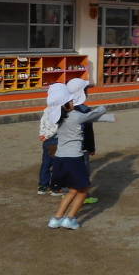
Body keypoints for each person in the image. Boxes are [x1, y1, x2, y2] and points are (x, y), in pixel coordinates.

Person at [46, 97, 109, 230]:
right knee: (83, 190)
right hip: (74, 159)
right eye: (71, 101)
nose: (73, 103)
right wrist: (104, 108)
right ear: (66, 105)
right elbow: (92, 115)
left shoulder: (58, 117)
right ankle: (70, 219)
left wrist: (109, 118)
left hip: (60, 158)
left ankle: (56, 218)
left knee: (72, 190)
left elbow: (88, 117)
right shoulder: (76, 116)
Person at [67, 77, 99, 205]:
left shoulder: (65, 108)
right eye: (86, 90)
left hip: (67, 146)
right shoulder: (85, 110)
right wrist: (91, 148)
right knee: (84, 172)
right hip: (81, 147)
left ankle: (68, 193)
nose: (87, 92)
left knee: (70, 170)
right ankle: (83, 196)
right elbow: (88, 131)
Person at [38, 83, 70, 195]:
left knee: (46, 163)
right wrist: (47, 135)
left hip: (46, 140)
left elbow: (42, 123)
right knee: (57, 165)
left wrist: (42, 134)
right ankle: (55, 187)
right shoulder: (61, 112)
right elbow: (56, 127)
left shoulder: (47, 109)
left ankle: (42, 186)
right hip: (55, 140)